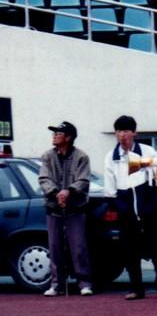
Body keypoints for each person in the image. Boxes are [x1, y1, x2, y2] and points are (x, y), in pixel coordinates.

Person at [102, 115, 157, 300]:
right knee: (130, 250)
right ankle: (136, 288)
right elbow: (110, 189)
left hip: (148, 204)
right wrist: (120, 208)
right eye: (118, 131)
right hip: (126, 206)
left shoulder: (148, 152)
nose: (122, 135)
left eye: (126, 130)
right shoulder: (111, 158)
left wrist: (152, 204)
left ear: (134, 132)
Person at [38, 121, 92, 296]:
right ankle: (56, 284)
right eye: (54, 133)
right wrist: (56, 194)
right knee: (54, 247)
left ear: (68, 137)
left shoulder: (81, 157)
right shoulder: (47, 156)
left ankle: (84, 283)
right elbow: (44, 178)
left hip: (75, 208)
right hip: (53, 207)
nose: (54, 136)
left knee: (78, 247)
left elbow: (83, 180)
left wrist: (68, 192)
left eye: (58, 133)